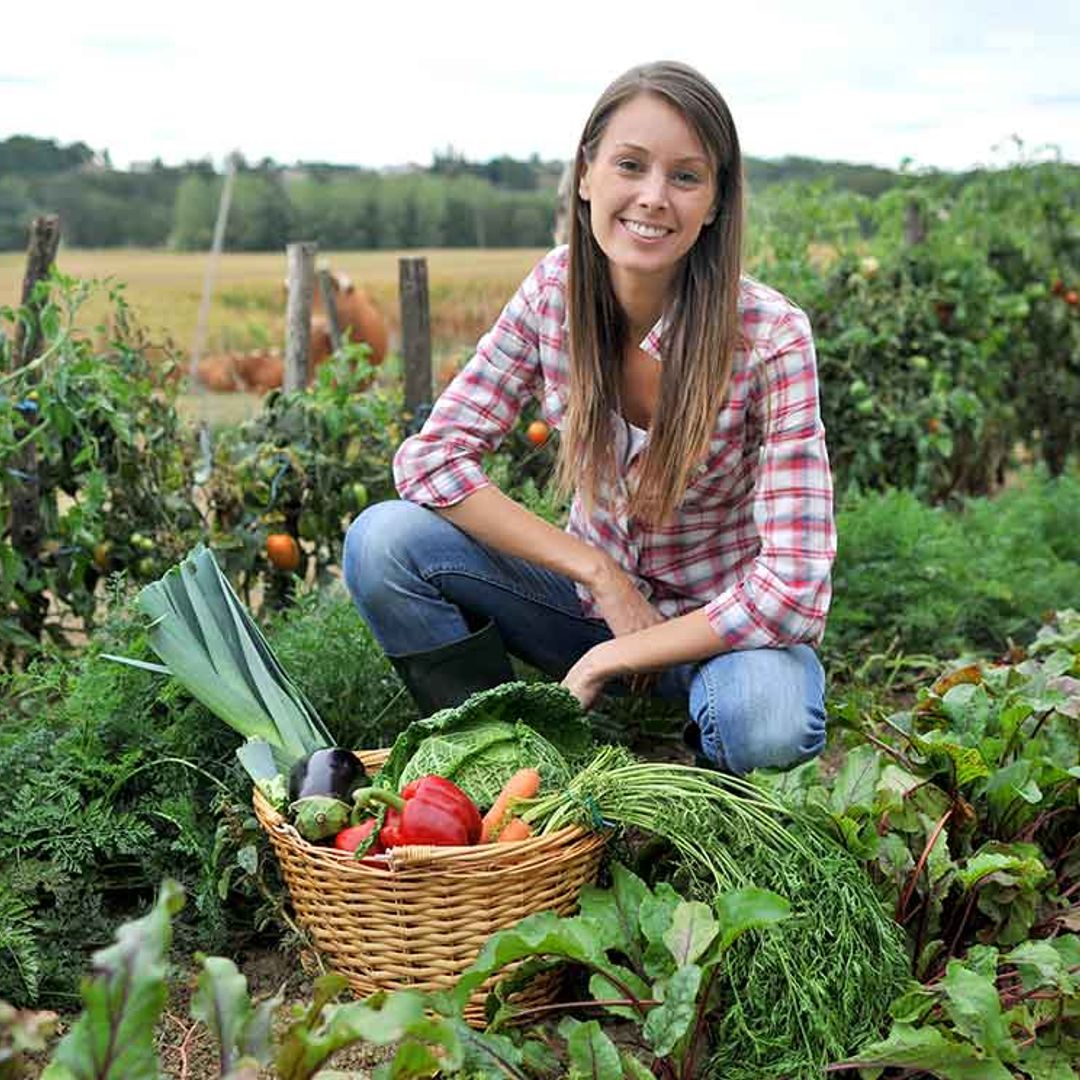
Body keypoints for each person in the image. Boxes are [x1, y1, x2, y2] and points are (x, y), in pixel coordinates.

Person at [343, 60, 835, 775]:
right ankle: (514, 759)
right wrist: (599, 573)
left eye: (686, 177)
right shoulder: (554, 293)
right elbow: (431, 460)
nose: (653, 198)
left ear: (717, 201)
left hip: (720, 637)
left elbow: (793, 590)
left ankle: (697, 788)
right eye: (630, 165)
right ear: (585, 175)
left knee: (762, 719)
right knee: (383, 541)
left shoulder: (769, 337)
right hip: (578, 610)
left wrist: (620, 652)